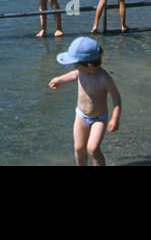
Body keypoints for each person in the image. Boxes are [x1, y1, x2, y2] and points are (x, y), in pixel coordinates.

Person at [47, 37, 121, 166]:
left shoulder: (104, 78)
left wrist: (115, 118)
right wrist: (60, 79)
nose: (75, 67)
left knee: (92, 148)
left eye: (76, 64)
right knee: (79, 148)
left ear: (89, 65)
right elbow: (72, 75)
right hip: (81, 116)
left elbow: (116, 99)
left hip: (99, 118)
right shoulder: (81, 72)